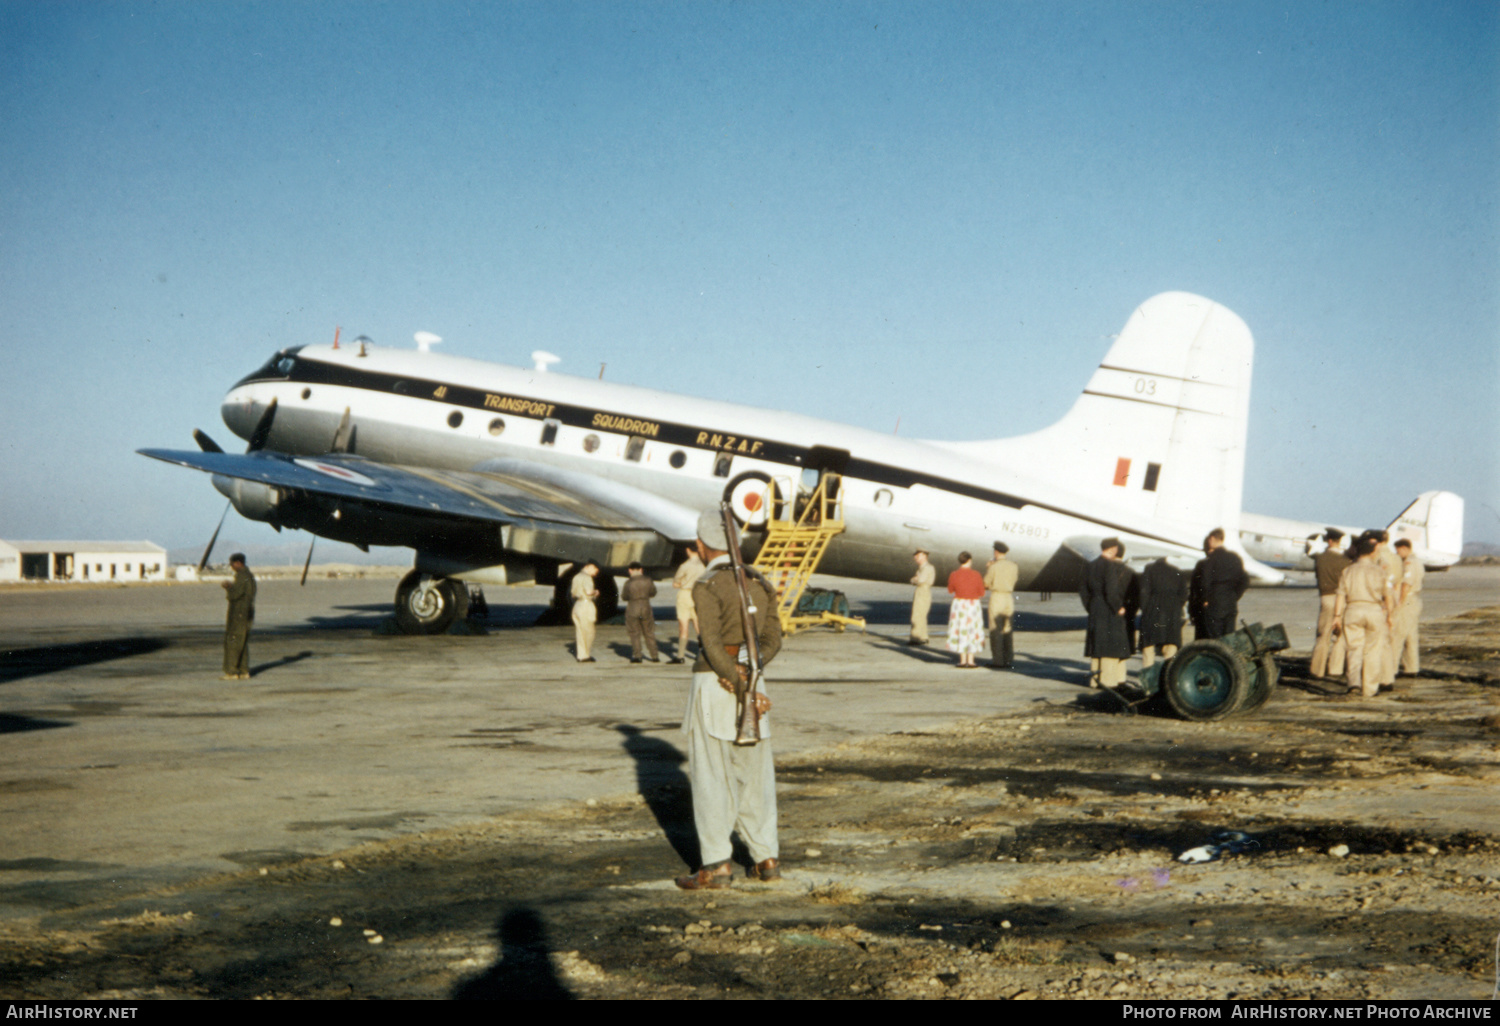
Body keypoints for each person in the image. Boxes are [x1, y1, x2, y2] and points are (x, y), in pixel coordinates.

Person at [676, 510, 783, 890]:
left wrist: (737, 683)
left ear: (703, 546)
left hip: (716, 685)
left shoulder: (707, 584)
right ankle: (766, 858)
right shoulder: (760, 583)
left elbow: (709, 642)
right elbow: (773, 639)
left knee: (712, 778)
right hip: (755, 686)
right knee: (755, 778)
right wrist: (749, 676)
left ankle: (716, 866)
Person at [1332, 534, 1394, 698]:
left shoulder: (1347, 571)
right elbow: (1388, 595)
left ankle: (1354, 683)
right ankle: (1370, 688)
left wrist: (1337, 616)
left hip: (1352, 610)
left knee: (1353, 649)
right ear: (1373, 553)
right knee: (1373, 650)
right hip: (1374, 610)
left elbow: (1340, 595)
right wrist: (1390, 615)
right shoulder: (1379, 571)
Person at [1079, 538, 1131, 688]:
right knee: (1111, 644)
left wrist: (1090, 606)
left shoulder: (1090, 565)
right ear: (1113, 549)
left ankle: (1094, 680)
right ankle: (1109, 681)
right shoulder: (1109, 566)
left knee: (1097, 644)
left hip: (1095, 606)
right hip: (1109, 608)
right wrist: (1117, 607)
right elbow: (1111, 591)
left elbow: (1083, 589)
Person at [1310, 529, 1352, 680]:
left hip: (1326, 597)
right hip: (1342, 599)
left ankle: (1317, 670)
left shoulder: (1320, 559)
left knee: (1323, 635)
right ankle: (1335, 669)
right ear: (1339, 541)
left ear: (1329, 541)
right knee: (1340, 636)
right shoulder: (1345, 561)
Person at [1137, 556, 1188, 669]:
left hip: (1153, 610)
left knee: (1148, 646)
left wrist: (1145, 609)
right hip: (1172, 612)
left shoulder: (1149, 569)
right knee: (1171, 644)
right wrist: (1177, 607)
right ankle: (1168, 675)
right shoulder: (1176, 571)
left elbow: (1144, 592)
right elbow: (1184, 594)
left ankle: (1148, 674)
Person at [1198, 528, 1249, 639]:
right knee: (1229, 638)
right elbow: (1245, 580)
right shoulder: (1235, 558)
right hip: (1230, 602)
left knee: (1215, 638)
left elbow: (1205, 582)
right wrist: (1235, 595)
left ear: (1211, 539)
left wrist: (1205, 599)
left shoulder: (1211, 559)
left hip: (1214, 602)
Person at [1391, 539, 1425, 676]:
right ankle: (1411, 668)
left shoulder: (1409, 563)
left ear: (1404, 548)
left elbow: (1406, 584)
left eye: (1398, 550)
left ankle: (1391, 669)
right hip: (1415, 599)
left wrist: (1399, 602)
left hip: (1408, 600)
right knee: (1411, 636)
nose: (1397, 553)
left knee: (1398, 636)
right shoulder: (1418, 561)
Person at [946, 552, 986, 668]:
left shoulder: (954, 574)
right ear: (969, 560)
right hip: (973, 604)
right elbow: (981, 592)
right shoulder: (976, 574)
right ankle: (971, 660)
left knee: (960, 629)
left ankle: (962, 660)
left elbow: (950, 590)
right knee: (973, 630)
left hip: (959, 604)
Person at [983, 541, 1019, 669]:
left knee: (995, 629)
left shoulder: (994, 566)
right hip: (1008, 597)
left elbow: (986, 583)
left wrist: (988, 568)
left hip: (997, 596)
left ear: (996, 552)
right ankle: (1009, 659)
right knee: (1007, 628)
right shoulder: (1013, 566)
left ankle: (998, 661)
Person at [221, 553, 256, 680]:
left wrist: (228, 588)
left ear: (238, 563)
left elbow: (235, 595)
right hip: (247, 612)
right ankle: (243, 670)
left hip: (239, 612)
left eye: (232, 564)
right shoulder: (248, 575)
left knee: (234, 640)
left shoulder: (242, 576)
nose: (232, 567)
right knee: (242, 641)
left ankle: (232, 671)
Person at [670, 546, 705, 664]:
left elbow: (676, 583)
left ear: (688, 550)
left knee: (683, 627)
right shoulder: (705, 566)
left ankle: (680, 656)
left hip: (685, 595)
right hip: (699, 595)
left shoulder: (684, 566)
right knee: (699, 626)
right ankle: (702, 654)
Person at [622, 562, 660, 663]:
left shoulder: (628, 583)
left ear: (630, 570)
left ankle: (637, 656)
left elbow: (624, 597)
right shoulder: (648, 580)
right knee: (649, 632)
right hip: (646, 606)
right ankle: (655, 656)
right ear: (641, 570)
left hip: (633, 607)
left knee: (634, 633)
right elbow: (653, 592)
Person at [570, 561, 600, 663]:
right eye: (595, 569)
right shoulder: (587, 577)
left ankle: (581, 655)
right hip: (586, 605)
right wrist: (596, 592)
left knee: (580, 632)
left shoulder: (577, 576)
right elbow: (588, 592)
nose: (596, 572)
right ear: (590, 566)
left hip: (577, 605)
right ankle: (585, 656)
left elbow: (573, 594)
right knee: (589, 632)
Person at [908, 550, 935, 646]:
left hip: (923, 591)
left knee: (917, 615)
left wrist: (915, 579)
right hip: (921, 590)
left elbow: (920, 580)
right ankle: (923, 637)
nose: (916, 558)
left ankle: (915, 638)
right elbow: (913, 580)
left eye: (918, 556)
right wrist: (915, 580)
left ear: (924, 556)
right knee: (921, 614)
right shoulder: (921, 568)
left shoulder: (927, 568)